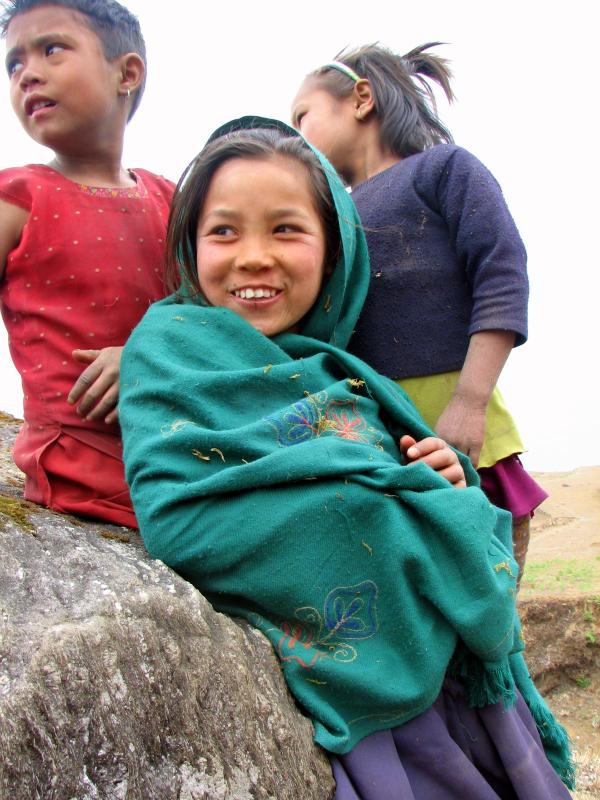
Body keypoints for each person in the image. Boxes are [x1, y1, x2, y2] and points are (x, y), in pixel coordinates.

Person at [119, 117, 573, 799]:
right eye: (224, 231)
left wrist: (442, 481)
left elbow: (408, 480)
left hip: (464, 692)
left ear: (333, 254)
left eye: (286, 229)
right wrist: (390, 512)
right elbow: (179, 516)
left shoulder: (342, 371)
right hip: (381, 711)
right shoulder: (166, 353)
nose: (253, 256)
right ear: (190, 245)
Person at [291, 43, 547, 585]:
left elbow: (501, 274)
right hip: (370, 435)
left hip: (458, 424)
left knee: (483, 590)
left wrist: (470, 402)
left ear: (361, 99)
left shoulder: (443, 169)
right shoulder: (328, 217)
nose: (295, 136)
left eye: (302, 116)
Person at [0, 0, 174, 526]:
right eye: (14, 63)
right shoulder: (17, 198)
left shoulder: (173, 200)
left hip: (177, 456)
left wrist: (144, 355)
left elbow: (210, 314)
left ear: (127, 73)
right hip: (76, 474)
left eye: (52, 49)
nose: (28, 73)